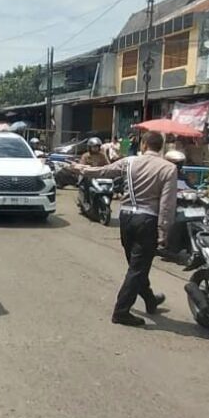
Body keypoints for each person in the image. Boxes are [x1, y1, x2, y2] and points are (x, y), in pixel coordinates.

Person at [76, 131, 177, 327]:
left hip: (126, 217)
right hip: (147, 220)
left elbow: (104, 171)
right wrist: (164, 232)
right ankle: (121, 311)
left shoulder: (129, 162)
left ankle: (149, 299)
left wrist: (81, 169)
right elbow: (167, 205)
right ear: (160, 146)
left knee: (136, 265)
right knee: (138, 268)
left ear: (144, 145)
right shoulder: (169, 168)